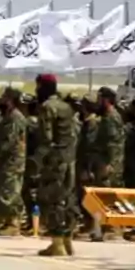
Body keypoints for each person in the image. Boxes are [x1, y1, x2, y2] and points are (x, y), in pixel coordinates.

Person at [34, 73, 78, 257]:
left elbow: (46, 138)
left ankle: (57, 244)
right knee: (66, 200)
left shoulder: (47, 107)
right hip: (69, 159)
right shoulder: (66, 107)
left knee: (52, 200)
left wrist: (38, 162)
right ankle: (68, 241)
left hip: (55, 161)